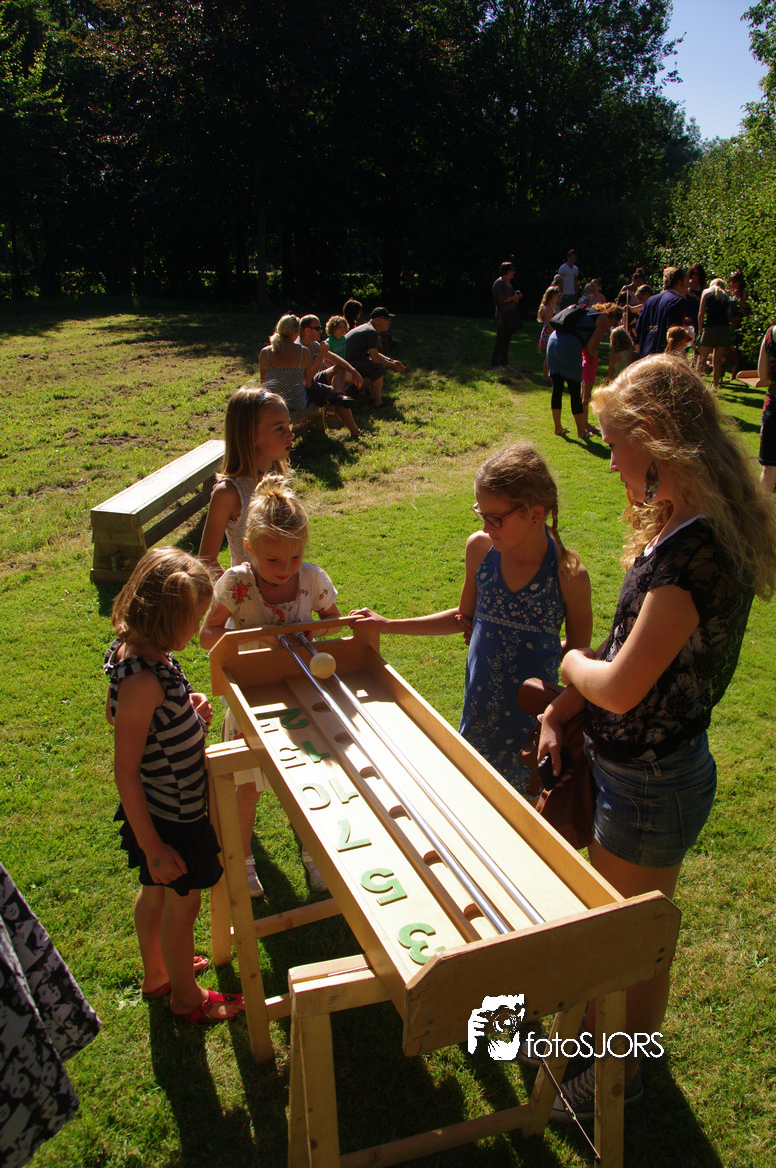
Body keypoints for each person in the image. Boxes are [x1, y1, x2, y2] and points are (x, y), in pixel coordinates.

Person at [538, 356, 776, 1122]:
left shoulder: (694, 554)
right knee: (622, 928)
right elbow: (630, 648)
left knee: (632, 941)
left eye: (615, 442)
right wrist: (569, 708)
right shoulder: (680, 519)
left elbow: (618, 683)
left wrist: (569, 666)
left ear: (655, 436)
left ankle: (623, 1072)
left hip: (651, 783)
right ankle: (599, 1043)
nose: (609, 460)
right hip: (638, 772)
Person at [349, 443, 592, 794]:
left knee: (522, 813)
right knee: (473, 795)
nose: (487, 526)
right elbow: (463, 618)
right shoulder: (480, 550)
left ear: (535, 514)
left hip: (532, 723)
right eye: (482, 514)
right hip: (478, 712)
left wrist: (541, 648)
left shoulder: (568, 576)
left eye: (496, 518)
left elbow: (579, 659)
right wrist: (387, 625)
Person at [104, 548, 245, 1025]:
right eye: (193, 621)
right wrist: (155, 847)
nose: (196, 630)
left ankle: (159, 973)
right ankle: (186, 997)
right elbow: (125, 769)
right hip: (172, 818)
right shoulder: (144, 681)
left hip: (158, 809)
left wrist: (186, 710)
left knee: (155, 891)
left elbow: (122, 717)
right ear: (165, 620)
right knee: (182, 907)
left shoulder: (134, 654)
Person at [200, 475, 341, 891]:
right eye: (273, 560)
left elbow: (334, 620)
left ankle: (314, 853)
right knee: (247, 784)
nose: (285, 569)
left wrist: (313, 630)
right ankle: (242, 861)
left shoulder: (311, 579)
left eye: (295, 558)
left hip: (303, 694)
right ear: (249, 548)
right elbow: (208, 635)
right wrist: (256, 637)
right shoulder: (236, 584)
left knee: (309, 777)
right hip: (251, 697)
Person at [198, 386, 293, 577]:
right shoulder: (229, 493)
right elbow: (207, 561)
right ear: (251, 436)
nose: (290, 434)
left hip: (288, 589)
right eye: (279, 429)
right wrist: (238, 589)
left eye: (288, 426)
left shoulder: (281, 480)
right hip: (250, 593)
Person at [546, 302, 622, 437]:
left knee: (557, 388)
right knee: (575, 390)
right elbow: (591, 347)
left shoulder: (587, 311)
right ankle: (581, 431)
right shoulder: (603, 320)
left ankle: (558, 428)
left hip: (553, 340)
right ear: (614, 319)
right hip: (570, 344)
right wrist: (594, 358)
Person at [298, 314, 364, 439]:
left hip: (310, 380)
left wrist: (353, 371)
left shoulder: (311, 343)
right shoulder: (299, 348)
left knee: (339, 368)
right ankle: (355, 432)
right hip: (303, 387)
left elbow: (334, 358)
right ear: (307, 330)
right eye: (317, 328)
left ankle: (337, 393)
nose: (321, 331)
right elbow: (307, 380)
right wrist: (321, 354)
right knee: (339, 398)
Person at [345, 307, 407, 406]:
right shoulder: (371, 332)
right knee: (378, 368)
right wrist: (393, 365)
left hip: (349, 362)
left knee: (375, 366)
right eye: (386, 319)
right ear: (377, 320)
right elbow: (376, 359)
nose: (389, 321)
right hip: (347, 364)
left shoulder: (368, 328)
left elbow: (374, 354)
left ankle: (372, 397)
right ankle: (377, 402)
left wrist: (392, 361)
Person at [259, 314, 310, 415]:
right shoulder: (303, 352)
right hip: (297, 403)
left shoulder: (265, 352)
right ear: (294, 333)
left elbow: (263, 382)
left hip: (272, 402)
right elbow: (308, 384)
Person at [635, 267, 689, 358]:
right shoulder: (677, 301)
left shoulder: (650, 300)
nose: (688, 286)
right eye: (687, 282)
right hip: (663, 356)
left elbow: (638, 328)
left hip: (645, 354)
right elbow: (674, 335)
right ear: (680, 282)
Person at [695, 278, 731, 389]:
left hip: (711, 328)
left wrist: (700, 330)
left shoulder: (706, 292)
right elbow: (727, 314)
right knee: (717, 361)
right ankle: (715, 386)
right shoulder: (726, 296)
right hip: (724, 329)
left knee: (702, 359)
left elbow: (701, 313)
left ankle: (696, 385)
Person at [490, 261, 523, 370]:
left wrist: (516, 298)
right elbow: (501, 300)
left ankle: (504, 362)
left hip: (510, 315)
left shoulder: (508, 283)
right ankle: (495, 363)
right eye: (511, 270)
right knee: (500, 340)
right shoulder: (499, 283)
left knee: (507, 339)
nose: (513, 273)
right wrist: (513, 298)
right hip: (502, 315)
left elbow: (511, 299)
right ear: (506, 271)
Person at [756, 324, 776, 493]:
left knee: (769, 467)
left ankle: (761, 509)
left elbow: (763, 375)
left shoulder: (771, 333)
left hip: (774, 406)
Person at [536, 285, 560, 382]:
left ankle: (548, 377)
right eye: (556, 296)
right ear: (552, 296)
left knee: (551, 356)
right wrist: (555, 334)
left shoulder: (551, 307)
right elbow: (549, 324)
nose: (557, 298)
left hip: (551, 332)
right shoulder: (547, 308)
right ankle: (546, 377)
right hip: (549, 334)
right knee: (549, 356)